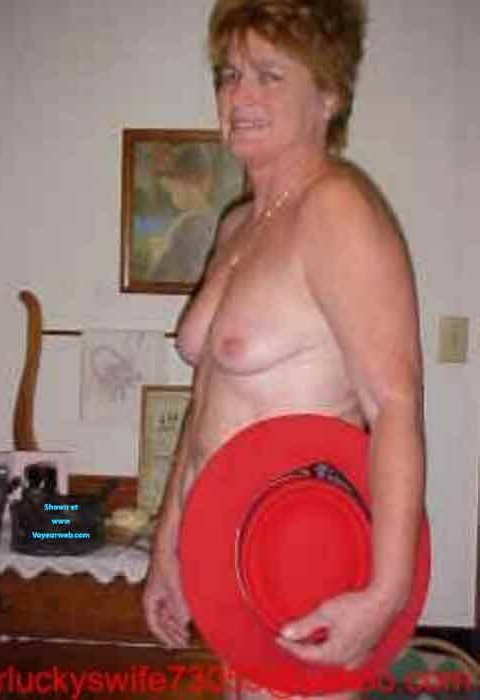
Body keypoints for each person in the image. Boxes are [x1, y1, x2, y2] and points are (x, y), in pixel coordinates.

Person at [143, 1, 426, 699]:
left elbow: (393, 404)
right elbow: (204, 404)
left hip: (304, 556)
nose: (239, 95)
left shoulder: (336, 210)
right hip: (232, 563)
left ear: (328, 96)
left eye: (269, 75)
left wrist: (386, 594)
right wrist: (169, 546)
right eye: (229, 74)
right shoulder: (238, 225)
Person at [149, 145, 219, 284]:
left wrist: (158, 254)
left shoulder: (190, 224)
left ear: (187, 181)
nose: (170, 191)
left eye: (172, 184)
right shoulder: (214, 219)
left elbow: (164, 278)